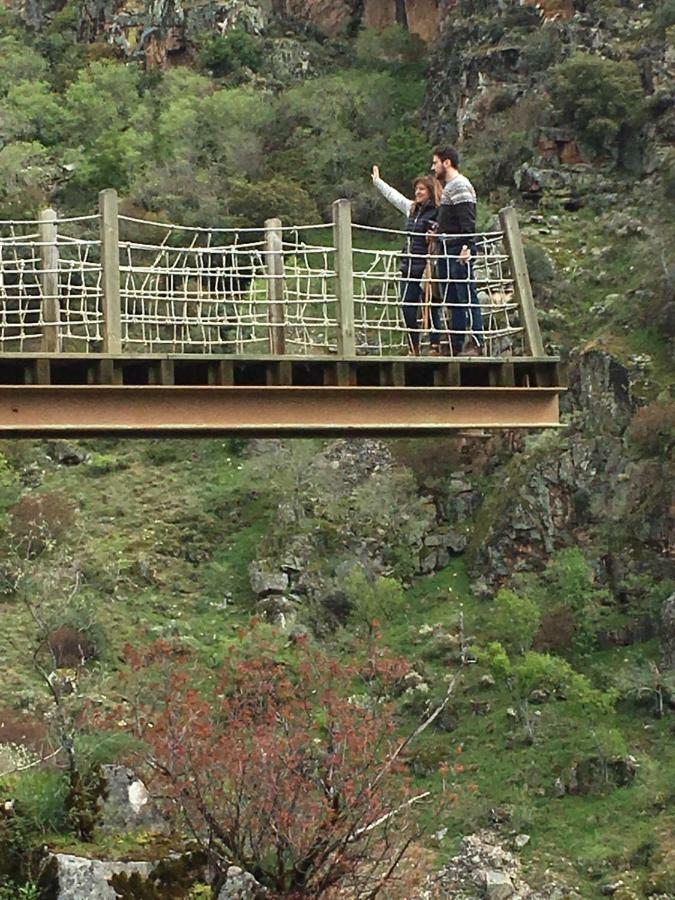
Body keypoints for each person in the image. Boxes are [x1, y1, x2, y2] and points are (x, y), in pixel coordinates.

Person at [371, 165, 443, 355]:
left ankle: (436, 345)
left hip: (428, 265)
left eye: (422, 189)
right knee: (407, 307)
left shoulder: (439, 211)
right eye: (417, 189)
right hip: (409, 265)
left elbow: (447, 230)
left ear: (430, 191)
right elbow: (395, 197)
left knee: (432, 305)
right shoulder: (412, 209)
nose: (417, 192)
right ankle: (415, 346)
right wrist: (378, 182)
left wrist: (436, 234)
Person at [431, 146, 484, 356]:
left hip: (457, 249)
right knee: (453, 298)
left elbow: (467, 219)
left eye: (435, 162)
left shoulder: (460, 185)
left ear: (446, 163)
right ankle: (456, 344)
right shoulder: (450, 188)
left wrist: (466, 247)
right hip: (446, 247)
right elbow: (453, 220)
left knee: (466, 296)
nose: (432, 167)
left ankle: (477, 343)